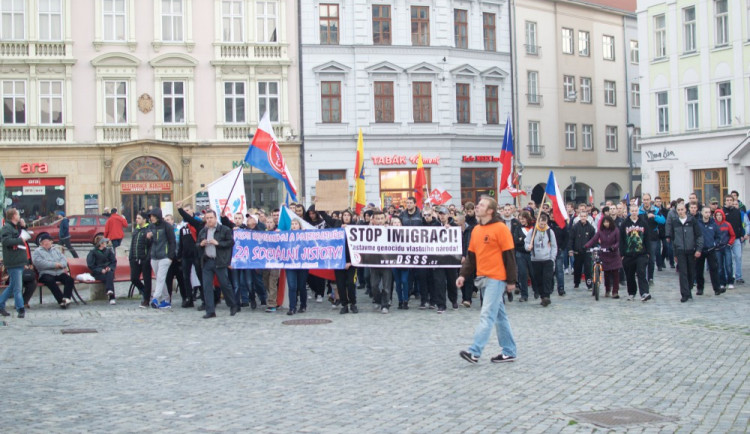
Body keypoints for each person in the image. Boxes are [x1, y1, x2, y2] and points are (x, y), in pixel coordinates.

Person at [457, 196, 518, 364]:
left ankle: (474, 352)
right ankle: (509, 351)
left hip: (496, 278)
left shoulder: (501, 228)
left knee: (487, 315)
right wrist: (462, 275)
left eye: (482, 205)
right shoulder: (476, 230)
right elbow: (471, 257)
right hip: (483, 278)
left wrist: (512, 280)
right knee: (500, 316)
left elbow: (509, 256)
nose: (477, 206)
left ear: (490, 211)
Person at [197, 209, 238, 318]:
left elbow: (231, 242)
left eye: (211, 218)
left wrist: (218, 243)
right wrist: (201, 244)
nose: (209, 220)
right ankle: (210, 310)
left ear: (215, 218)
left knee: (225, 284)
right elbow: (197, 244)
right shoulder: (203, 231)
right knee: (207, 286)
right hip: (207, 261)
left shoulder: (224, 229)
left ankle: (233, 304)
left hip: (219, 261)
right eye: (207, 218)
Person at [667, 203, 703, 302]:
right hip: (680, 251)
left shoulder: (692, 221)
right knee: (683, 273)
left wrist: (698, 249)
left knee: (691, 272)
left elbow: (699, 236)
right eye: (678, 210)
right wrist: (674, 253)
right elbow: (673, 239)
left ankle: (689, 289)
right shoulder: (675, 222)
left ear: (685, 210)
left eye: (682, 209)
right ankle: (684, 294)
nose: (680, 212)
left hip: (691, 250)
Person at [32, 233, 77, 309]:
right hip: (45, 273)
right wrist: (54, 265)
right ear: (42, 243)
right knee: (50, 281)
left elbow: (64, 260)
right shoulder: (37, 251)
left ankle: (66, 298)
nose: (47, 243)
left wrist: (61, 265)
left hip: (59, 272)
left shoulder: (56, 250)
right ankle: (61, 301)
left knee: (69, 280)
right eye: (45, 241)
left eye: (49, 241)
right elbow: (39, 263)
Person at [0, 209, 30, 318]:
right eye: (17, 214)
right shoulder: (6, 228)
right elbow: (6, 241)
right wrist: (20, 240)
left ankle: (0, 304)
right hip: (13, 261)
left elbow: (20, 234)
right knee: (18, 287)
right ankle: (20, 309)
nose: (19, 216)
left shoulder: (15, 226)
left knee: (13, 286)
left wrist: (23, 226)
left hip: (18, 260)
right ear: (13, 216)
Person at [585, 215, 622, 298]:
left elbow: (618, 241)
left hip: (613, 254)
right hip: (604, 254)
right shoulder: (601, 231)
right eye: (604, 222)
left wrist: (614, 247)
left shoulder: (615, 230)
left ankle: (615, 291)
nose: (606, 224)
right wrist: (587, 246)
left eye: (607, 222)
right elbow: (594, 239)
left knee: (615, 274)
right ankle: (607, 290)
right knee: (607, 274)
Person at [146, 208, 176, 309]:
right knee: (160, 278)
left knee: (160, 277)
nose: (151, 218)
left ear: (158, 216)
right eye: (150, 216)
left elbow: (172, 242)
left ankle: (155, 298)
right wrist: (148, 238)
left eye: (153, 216)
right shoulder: (151, 226)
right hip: (154, 256)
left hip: (165, 256)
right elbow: (148, 243)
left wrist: (170, 256)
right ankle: (166, 299)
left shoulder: (167, 227)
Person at [177, 203, 205, 309]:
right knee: (186, 277)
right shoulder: (182, 227)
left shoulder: (197, 223)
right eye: (185, 210)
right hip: (186, 255)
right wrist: (179, 254)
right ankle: (188, 298)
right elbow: (181, 242)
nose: (186, 212)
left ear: (192, 211)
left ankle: (204, 298)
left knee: (200, 275)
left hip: (196, 254)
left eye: (188, 210)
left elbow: (188, 218)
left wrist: (180, 209)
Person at [525, 213, 557, 307]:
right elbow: (526, 243)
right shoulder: (532, 231)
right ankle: (542, 296)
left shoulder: (549, 232)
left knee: (547, 278)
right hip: (536, 259)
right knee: (538, 279)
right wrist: (528, 247)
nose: (542, 225)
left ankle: (547, 295)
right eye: (541, 224)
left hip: (547, 259)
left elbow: (554, 246)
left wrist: (552, 258)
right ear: (538, 222)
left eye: (544, 224)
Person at [639, 193, 666, 285]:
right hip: (640, 237)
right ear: (642, 200)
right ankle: (642, 277)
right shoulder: (639, 210)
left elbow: (663, 221)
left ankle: (650, 277)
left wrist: (655, 216)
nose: (646, 201)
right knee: (641, 258)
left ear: (650, 200)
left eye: (647, 199)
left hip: (652, 237)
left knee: (651, 258)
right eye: (644, 199)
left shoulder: (656, 210)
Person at [369, 211, 393, 314]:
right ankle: (378, 300)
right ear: (373, 220)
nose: (379, 221)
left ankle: (385, 305)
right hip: (374, 262)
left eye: (381, 218)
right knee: (374, 285)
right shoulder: (368, 231)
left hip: (387, 262)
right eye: (377, 219)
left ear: (385, 219)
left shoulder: (390, 230)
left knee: (386, 287)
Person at [696, 206, 723, 296]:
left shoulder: (713, 224)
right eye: (706, 212)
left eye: (709, 212)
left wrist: (715, 244)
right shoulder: (698, 223)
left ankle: (716, 288)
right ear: (702, 213)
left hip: (711, 249)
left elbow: (718, 236)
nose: (707, 214)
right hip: (700, 249)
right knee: (699, 270)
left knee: (714, 269)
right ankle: (700, 288)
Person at [568, 207, 596, 290]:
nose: (583, 218)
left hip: (587, 251)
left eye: (584, 216)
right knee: (577, 268)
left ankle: (589, 284)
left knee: (588, 269)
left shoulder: (591, 228)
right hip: (577, 251)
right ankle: (576, 283)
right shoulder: (575, 227)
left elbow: (593, 239)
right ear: (579, 217)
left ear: (587, 217)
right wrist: (570, 249)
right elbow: (571, 239)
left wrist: (593, 248)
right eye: (582, 216)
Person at [129, 212, 153, 308]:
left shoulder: (149, 229)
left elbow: (151, 244)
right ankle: (144, 291)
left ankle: (146, 300)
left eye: (139, 218)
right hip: (135, 258)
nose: (136, 220)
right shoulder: (136, 230)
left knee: (147, 279)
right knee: (134, 278)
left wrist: (148, 258)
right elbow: (132, 244)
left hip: (145, 259)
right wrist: (131, 257)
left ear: (144, 219)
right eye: (136, 218)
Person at [285, 219, 308, 315]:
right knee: (292, 286)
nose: (294, 226)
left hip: (302, 264)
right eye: (292, 224)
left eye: (296, 224)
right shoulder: (286, 235)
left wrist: (305, 235)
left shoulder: (305, 235)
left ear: (299, 225)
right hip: (290, 264)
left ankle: (303, 305)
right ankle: (292, 307)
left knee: (301, 286)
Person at [87, 236, 117, 305]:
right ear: (101, 244)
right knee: (109, 277)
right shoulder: (93, 253)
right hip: (98, 273)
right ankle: (111, 297)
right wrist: (100, 270)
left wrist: (109, 267)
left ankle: (110, 291)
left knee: (109, 273)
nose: (106, 243)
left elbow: (113, 261)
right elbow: (91, 265)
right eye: (104, 242)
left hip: (108, 271)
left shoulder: (108, 251)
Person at [722, 195, 745, 284]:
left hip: (736, 238)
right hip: (726, 239)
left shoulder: (737, 211)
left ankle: (738, 276)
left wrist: (742, 234)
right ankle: (728, 276)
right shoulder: (722, 212)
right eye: (727, 200)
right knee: (727, 259)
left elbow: (741, 223)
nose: (729, 202)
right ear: (724, 202)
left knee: (738, 257)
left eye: (730, 200)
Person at [512, 211, 534, 302]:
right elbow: (516, 241)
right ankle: (524, 294)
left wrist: (523, 240)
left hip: (531, 254)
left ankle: (537, 290)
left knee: (533, 274)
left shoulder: (533, 228)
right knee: (523, 274)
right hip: (521, 253)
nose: (522, 221)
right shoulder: (517, 228)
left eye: (523, 219)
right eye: (520, 219)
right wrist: (524, 242)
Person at [713, 209, 736, 290]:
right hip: (717, 248)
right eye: (717, 215)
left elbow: (733, 235)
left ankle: (730, 281)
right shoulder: (714, 225)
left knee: (728, 265)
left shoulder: (727, 224)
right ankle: (722, 282)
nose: (719, 217)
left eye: (720, 215)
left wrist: (730, 243)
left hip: (726, 247)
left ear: (723, 216)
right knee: (719, 267)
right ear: (715, 216)